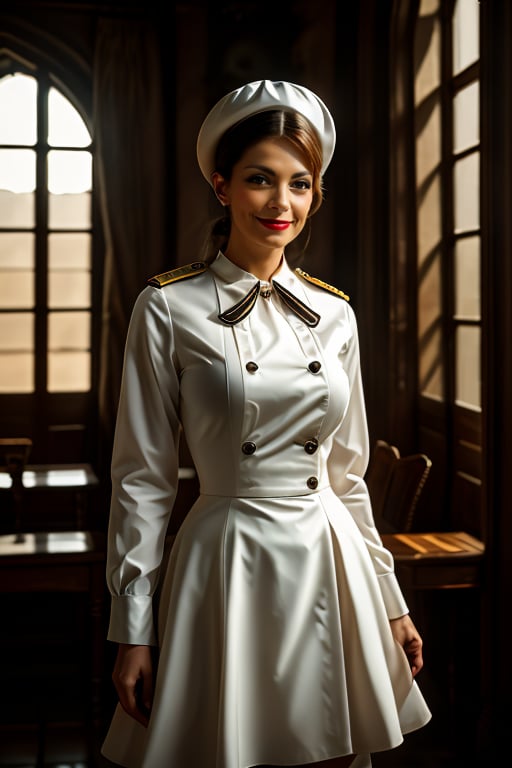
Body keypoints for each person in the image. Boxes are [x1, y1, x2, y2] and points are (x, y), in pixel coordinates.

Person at [100, 79, 432, 768]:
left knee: (337, 752)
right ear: (221, 186)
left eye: (300, 184)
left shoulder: (335, 314)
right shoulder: (166, 308)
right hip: (227, 561)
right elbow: (142, 478)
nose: (281, 204)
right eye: (260, 180)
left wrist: (390, 600)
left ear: (315, 194)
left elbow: (348, 477)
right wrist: (134, 627)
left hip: (330, 559)